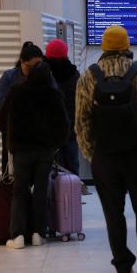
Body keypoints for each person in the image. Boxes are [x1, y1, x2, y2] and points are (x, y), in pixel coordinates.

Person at [75, 25, 137, 273]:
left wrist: (91, 154)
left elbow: (81, 122)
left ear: (104, 48)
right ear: (127, 46)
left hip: (105, 156)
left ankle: (122, 266)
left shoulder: (87, 77)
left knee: (113, 212)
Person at [0, 61, 69, 249]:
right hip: (44, 151)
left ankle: (18, 235)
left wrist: (12, 137)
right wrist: (55, 144)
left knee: (19, 192)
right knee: (41, 191)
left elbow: (1, 121)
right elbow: (64, 127)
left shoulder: (16, 92)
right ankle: (38, 234)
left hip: (21, 150)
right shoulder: (54, 95)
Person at [0, 41, 45, 172]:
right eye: (30, 67)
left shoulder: (45, 77)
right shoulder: (9, 76)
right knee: (11, 168)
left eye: (38, 66)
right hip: (13, 130)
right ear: (22, 62)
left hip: (36, 131)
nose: (33, 71)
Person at [45, 38, 80, 175]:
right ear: (66, 54)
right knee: (72, 164)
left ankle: (54, 195)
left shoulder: (45, 74)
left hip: (50, 128)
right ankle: (72, 193)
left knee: (51, 168)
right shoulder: (75, 75)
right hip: (71, 127)